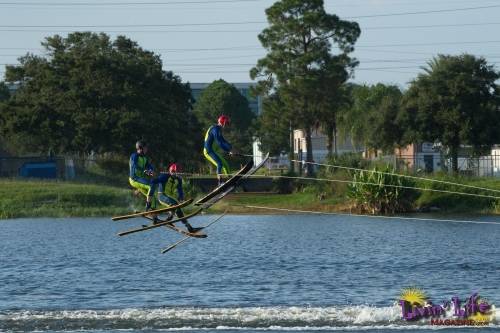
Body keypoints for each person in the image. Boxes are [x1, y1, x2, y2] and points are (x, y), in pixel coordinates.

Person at [158, 163, 201, 233]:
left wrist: (181, 199)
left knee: (178, 209)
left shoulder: (178, 180)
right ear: (171, 171)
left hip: (170, 198)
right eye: (174, 172)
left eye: (177, 172)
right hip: (162, 196)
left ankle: (189, 227)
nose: (176, 174)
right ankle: (168, 220)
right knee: (175, 204)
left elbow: (180, 191)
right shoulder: (164, 176)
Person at [129, 140, 163, 212]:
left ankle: (155, 218)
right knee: (151, 185)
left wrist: (150, 171)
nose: (147, 149)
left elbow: (149, 166)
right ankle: (147, 207)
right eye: (145, 148)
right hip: (134, 179)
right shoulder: (134, 156)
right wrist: (144, 170)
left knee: (152, 197)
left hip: (141, 180)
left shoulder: (144, 158)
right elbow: (134, 165)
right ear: (140, 148)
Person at [204, 115, 234, 185]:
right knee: (219, 163)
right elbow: (220, 142)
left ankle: (231, 180)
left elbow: (223, 141)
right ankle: (219, 182)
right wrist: (229, 150)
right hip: (208, 151)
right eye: (226, 123)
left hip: (213, 151)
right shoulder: (215, 129)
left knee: (226, 165)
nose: (227, 125)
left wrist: (230, 148)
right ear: (222, 122)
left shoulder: (218, 130)